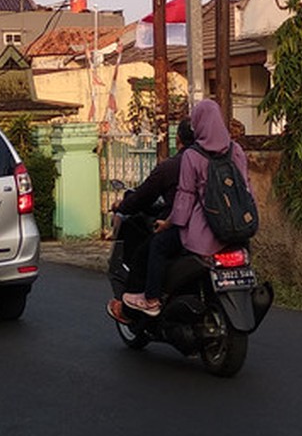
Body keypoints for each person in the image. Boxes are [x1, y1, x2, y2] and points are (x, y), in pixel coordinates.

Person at [123, 99, 249, 317]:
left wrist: (167, 224)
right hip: (238, 229)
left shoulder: (193, 156)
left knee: (159, 244)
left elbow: (185, 200)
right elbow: (246, 188)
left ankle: (151, 299)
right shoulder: (235, 150)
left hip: (203, 233)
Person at [106, 118, 196, 324]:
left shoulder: (178, 166)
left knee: (148, 251)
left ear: (178, 139)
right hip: (216, 228)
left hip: (186, 227)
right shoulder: (219, 160)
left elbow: (178, 203)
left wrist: (168, 222)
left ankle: (146, 302)